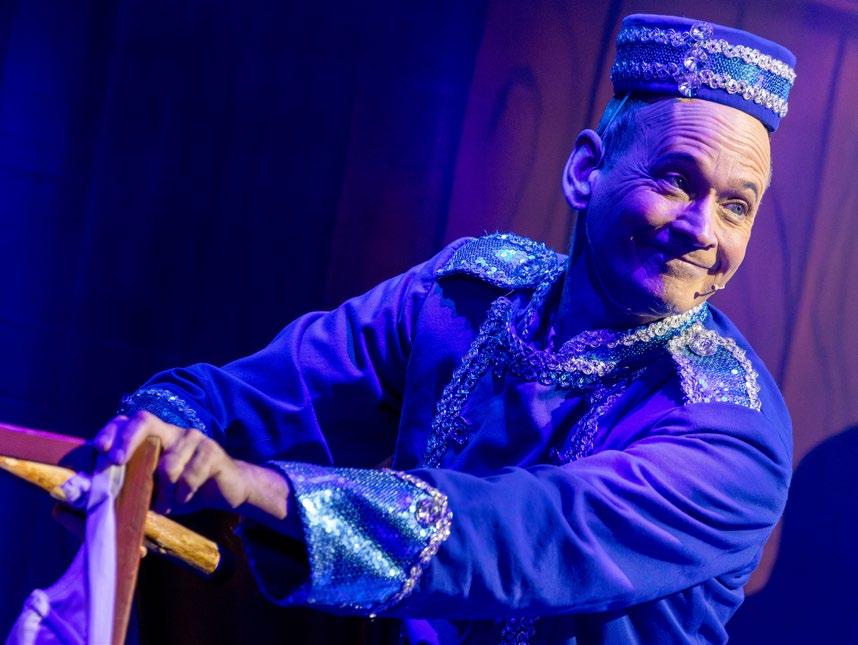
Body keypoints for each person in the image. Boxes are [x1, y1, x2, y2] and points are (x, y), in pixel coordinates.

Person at [93, 14, 796, 644]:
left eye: (736, 207)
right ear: (586, 171)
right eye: (676, 180)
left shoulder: (734, 429)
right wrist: (144, 447)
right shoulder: (469, 294)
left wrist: (254, 486)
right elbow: (268, 395)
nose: (702, 230)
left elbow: (519, 536)